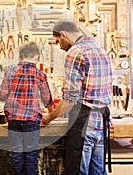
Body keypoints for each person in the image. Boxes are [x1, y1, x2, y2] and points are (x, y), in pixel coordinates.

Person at [42, 20, 112, 175]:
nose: (59, 46)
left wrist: (50, 117)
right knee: (98, 172)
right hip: (101, 123)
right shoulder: (100, 50)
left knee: (78, 172)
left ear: (64, 35)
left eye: (58, 41)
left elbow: (70, 98)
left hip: (85, 124)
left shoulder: (75, 52)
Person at [0, 41, 53, 175]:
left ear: (20, 57)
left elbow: (2, 96)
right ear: (36, 57)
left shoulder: (10, 72)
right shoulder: (39, 74)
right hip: (31, 120)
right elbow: (47, 99)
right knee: (31, 154)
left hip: (14, 119)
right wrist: (50, 113)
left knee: (16, 152)